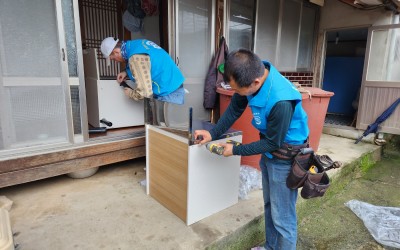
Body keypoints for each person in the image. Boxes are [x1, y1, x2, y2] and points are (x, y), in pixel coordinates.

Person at [194, 49, 309, 250]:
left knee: (283, 218)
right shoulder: (251, 76)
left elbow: (274, 142)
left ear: (255, 83)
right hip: (270, 151)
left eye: (238, 90)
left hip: (286, 157)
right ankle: (270, 247)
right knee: (269, 207)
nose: (237, 94)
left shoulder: (281, 101)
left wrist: (235, 150)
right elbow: (235, 108)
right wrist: (214, 133)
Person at [100, 37, 185, 105]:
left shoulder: (136, 59)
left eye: (113, 59)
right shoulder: (136, 44)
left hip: (168, 93)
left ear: (116, 52)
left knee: (167, 126)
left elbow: (144, 92)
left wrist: (130, 93)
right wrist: (126, 72)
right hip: (174, 84)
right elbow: (147, 63)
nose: (116, 61)